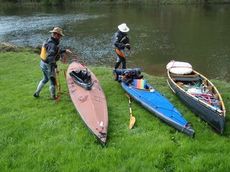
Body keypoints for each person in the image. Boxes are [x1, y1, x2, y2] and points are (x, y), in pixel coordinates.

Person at [33, 27, 72, 99]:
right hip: (48, 65)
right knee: (52, 80)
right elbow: (50, 57)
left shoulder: (50, 40)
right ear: (56, 35)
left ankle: (36, 93)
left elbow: (55, 50)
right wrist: (54, 67)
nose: (60, 37)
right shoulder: (52, 44)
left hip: (42, 63)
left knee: (45, 78)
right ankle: (53, 96)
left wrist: (64, 50)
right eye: (60, 35)